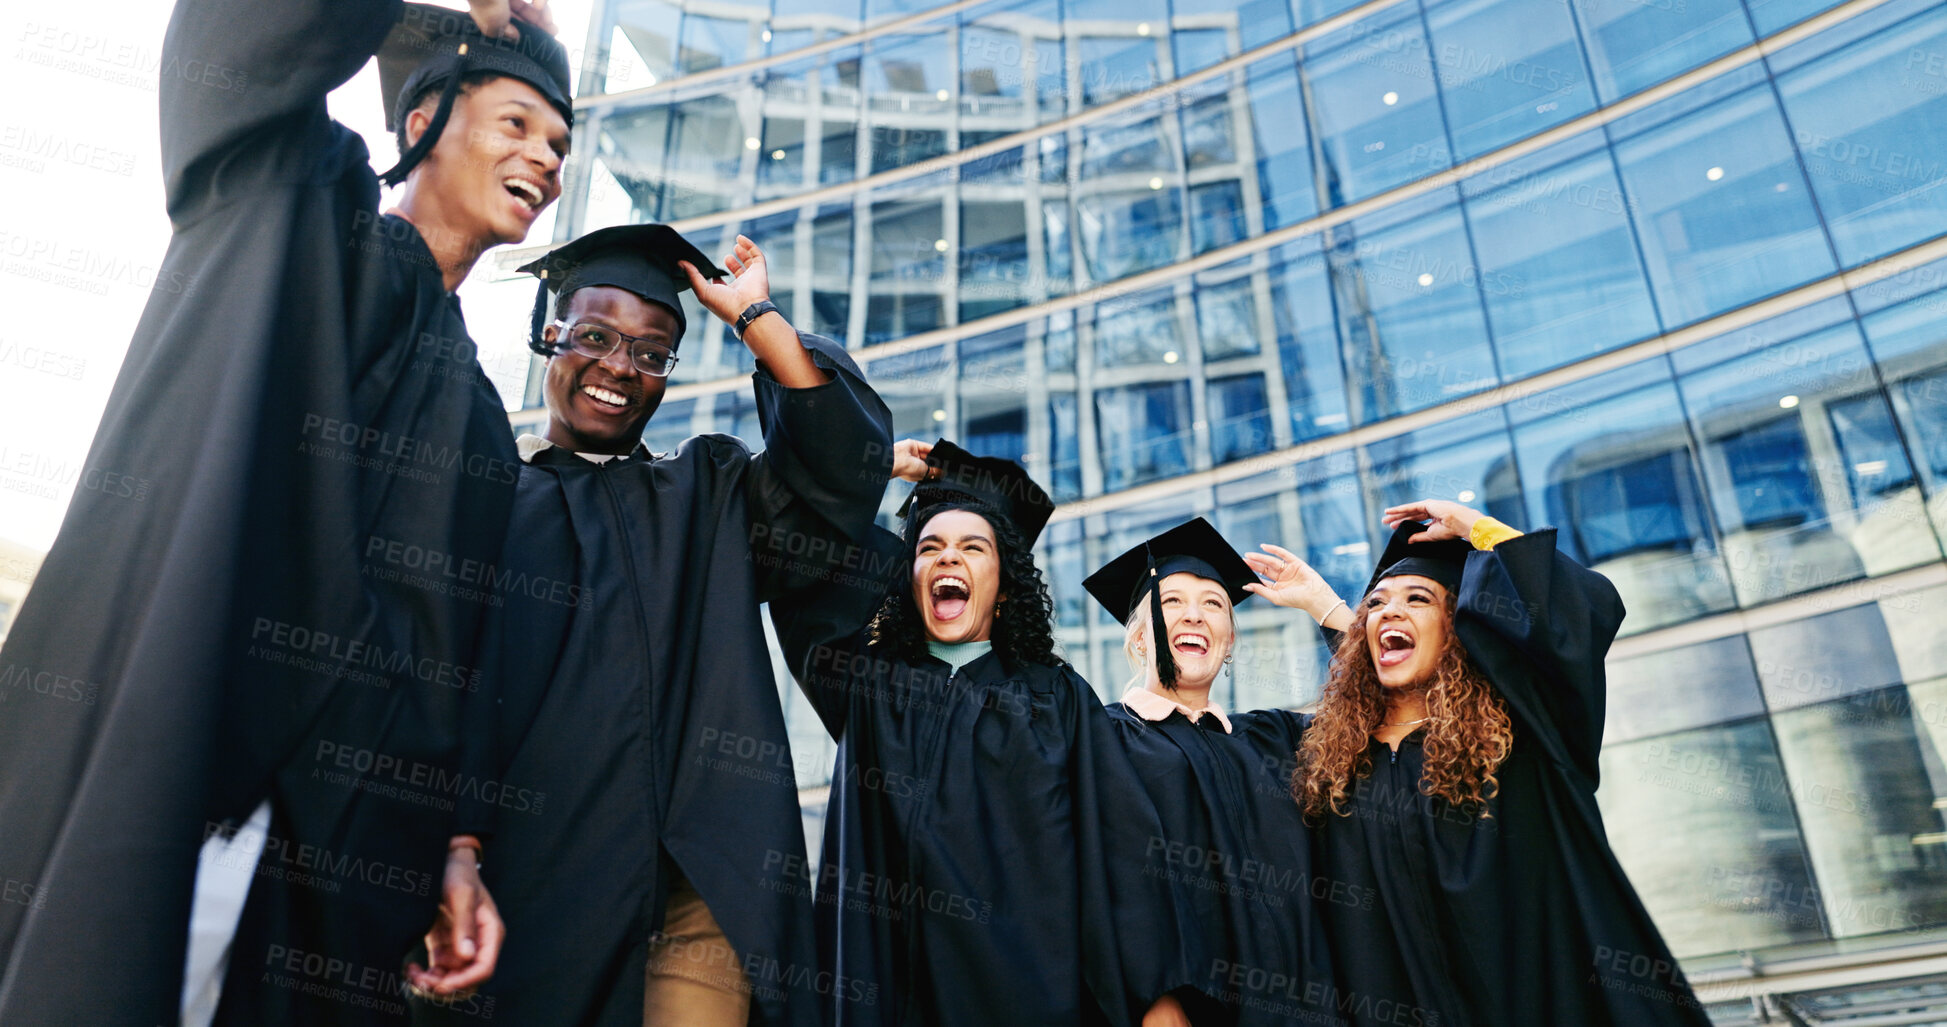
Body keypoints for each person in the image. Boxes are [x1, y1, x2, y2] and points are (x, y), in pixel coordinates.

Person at [0, 1, 572, 1022]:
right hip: (191, 755)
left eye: (561, 144)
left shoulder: (488, 424)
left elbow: (458, 658)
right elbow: (233, 49)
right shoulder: (309, 220)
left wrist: (452, 846)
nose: (546, 158)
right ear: (423, 121)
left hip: (340, 857)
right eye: (518, 123)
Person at [408, 224, 891, 1027]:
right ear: (548, 336)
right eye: (594, 337)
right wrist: (456, 842)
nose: (619, 367)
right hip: (535, 868)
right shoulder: (490, 495)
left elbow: (837, 470)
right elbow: (442, 678)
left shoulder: (707, 492)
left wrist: (754, 317)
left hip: (706, 881)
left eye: (651, 352)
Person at [769, 440, 1191, 1027]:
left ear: (1005, 583)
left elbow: (1118, 844)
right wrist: (871, 470)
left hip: (1033, 998)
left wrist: (1156, 995)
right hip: (891, 997)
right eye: (929, 548)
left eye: (973, 547)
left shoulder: (1057, 698)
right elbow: (802, 571)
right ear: (906, 576)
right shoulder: (870, 687)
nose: (948, 558)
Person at [1295, 499, 1708, 1026]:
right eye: (1375, 604)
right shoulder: (1335, 769)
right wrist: (1323, 607)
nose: (1389, 612)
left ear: (1457, 630)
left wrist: (1475, 526)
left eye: (1418, 598)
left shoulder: (1524, 738)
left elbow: (1580, 612)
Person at [1083, 517, 1352, 1026]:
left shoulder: (1274, 739)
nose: (1195, 615)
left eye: (1213, 604)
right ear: (1138, 637)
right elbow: (1099, 885)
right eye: (1171, 601)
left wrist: (1324, 605)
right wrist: (1156, 1001)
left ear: (1228, 643)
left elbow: (1380, 707)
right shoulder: (1101, 739)